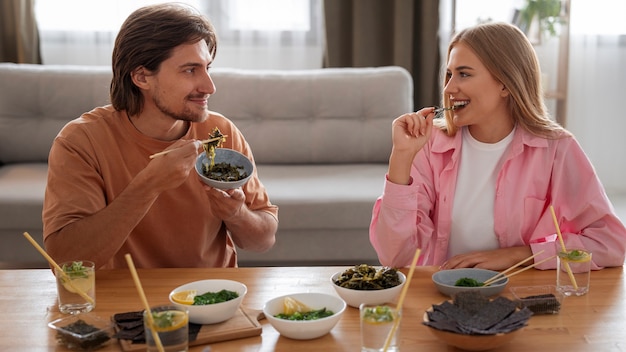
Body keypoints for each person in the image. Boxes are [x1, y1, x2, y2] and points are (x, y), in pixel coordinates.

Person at [369, 22, 626, 271]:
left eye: (464, 74)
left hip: (522, 298)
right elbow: (395, 257)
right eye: (449, 74)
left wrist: (520, 256)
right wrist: (401, 157)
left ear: (505, 82)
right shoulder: (429, 145)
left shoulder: (557, 149)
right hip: (440, 298)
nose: (448, 88)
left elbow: (610, 243)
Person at [42, 3, 278, 269]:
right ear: (142, 77)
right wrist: (149, 185)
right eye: (190, 70)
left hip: (213, 296)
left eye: (207, 68)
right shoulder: (81, 142)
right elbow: (64, 261)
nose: (209, 86)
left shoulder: (220, 133)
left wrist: (237, 214)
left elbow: (263, 240)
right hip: (127, 301)